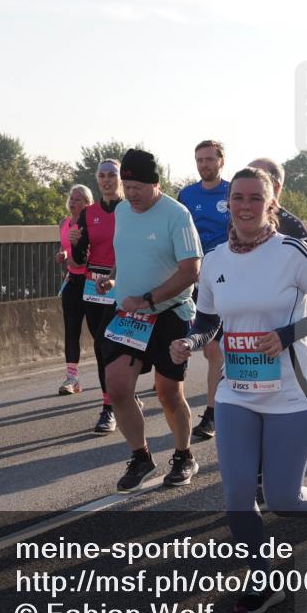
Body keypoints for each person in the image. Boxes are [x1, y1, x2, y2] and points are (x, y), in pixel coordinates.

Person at [170, 168, 307, 613]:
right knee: (236, 497)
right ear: (228, 203)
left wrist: (289, 333)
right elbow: (207, 320)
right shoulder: (214, 260)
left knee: (285, 499)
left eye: (255, 198)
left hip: (293, 391)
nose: (245, 206)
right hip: (237, 391)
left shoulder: (293, 253)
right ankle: (265, 579)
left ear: (271, 204)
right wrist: (190, 342)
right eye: (237, 198)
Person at [97, 148, 203, 491]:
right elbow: (127, 252)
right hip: (129, 315)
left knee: (168, 392)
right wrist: (114, 278)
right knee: (116, 386)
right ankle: (140, 456)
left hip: (169, 312)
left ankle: (184, 454)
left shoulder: (177, 214)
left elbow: (191, 271)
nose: (131, 195)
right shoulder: (124, 211)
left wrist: (148, 298)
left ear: (155, 183)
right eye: (126, 187)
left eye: (138, 187)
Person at [248, 156, 307, 469]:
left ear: (276, 187)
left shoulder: (293, 226)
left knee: (298, 384)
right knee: (251, 404)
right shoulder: (239, 223)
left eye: (261, 178)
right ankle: (257, 476)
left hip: (285, 327)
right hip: (246, 332)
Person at [70, 159, 126, 434]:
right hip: (94, 284)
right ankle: (113, 400)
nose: (106, 180)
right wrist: (76, 242)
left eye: (111, 175)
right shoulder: (88, 213)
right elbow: (79, 259)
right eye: (102, 176)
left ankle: (113, 402)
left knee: (118, 345)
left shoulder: (131, 209)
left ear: (120, 177)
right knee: (101, 344)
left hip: (125, 283)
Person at [178, 140, 230, 440]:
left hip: (231, 277)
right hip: (199, 279)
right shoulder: (187, 195)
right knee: (212, 349)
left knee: (225, 347)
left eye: (209, 159)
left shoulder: (234, 191)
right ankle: (214, 409)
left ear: (221, 161)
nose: (204, 165)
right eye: (199, 160)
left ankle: (219, 410)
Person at [56, 184, 93, 395]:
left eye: (79, 199)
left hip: (92, 282)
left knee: (100, 333)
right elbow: (64, 249)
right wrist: (61, 255)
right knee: (71, 330)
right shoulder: (64, 223)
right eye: (71, 197)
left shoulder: (93, 224)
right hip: (72, 281)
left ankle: (114, 378)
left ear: (88, 204)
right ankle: (72, 378)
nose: (73, 201)